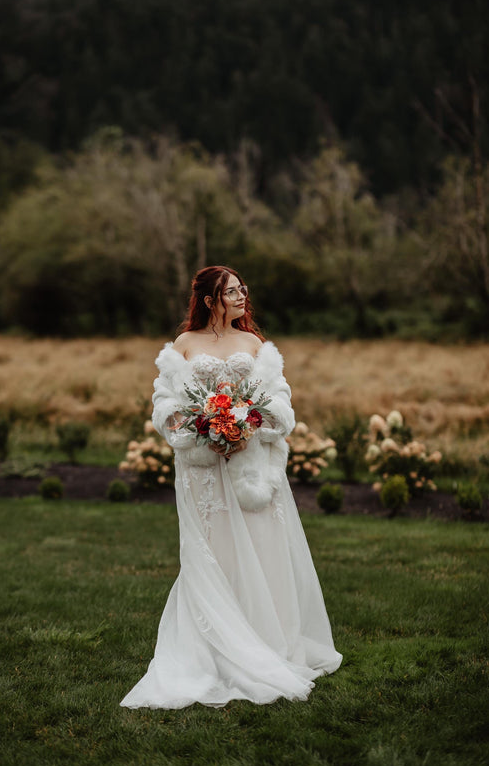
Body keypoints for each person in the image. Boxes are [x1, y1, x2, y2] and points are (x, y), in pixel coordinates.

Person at [120, 265, 342, 709]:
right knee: (214, 552)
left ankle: (267, 641)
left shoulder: (255, 344)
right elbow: (166, 404)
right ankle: (213, 649)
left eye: (243, 290)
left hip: (251, 466)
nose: (242, 297)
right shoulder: (182, 347)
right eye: (232, 292)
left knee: (262, 548)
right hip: (202, 470)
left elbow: (278, 399)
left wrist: (248, 424)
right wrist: (204, 428)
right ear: (209, 300)